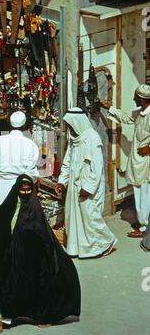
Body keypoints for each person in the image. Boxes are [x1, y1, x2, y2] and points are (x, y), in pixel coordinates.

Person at [0, 175, 81, 334]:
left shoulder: (34, 207)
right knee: (11, 287)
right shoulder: (12, 204)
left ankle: (42, 317)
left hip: (33, 256)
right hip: (14, 254)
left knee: (36, 287)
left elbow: (41, 231)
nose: (25, 192)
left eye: (28, 189)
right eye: (22, 189)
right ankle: (1, 322)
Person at [55, 107, 117, 259]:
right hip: (74, 183)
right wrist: (62, 182)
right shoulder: (73, 138)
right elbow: (68, 161)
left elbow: (97, 167)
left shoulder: (92, 137)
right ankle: (79, 249)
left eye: (70, 124)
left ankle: (107, 241)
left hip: (88, 184)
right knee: (74, 217)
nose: (69, 128)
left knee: (90, 217)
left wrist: (88, 188)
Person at [103, 84, 150, 238]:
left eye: (136, 97)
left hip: (145, 160)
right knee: (139, 191)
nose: (133, 99)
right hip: (138, 160)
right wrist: (110, 108)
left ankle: (144, 228)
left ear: (142, 100)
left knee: (144, 193)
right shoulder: (140, 112)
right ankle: (144, 223)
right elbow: (126, 118)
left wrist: (148, 149)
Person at [0, 111, 40, 204]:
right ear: (25, 126)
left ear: (10, 125)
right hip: (21, 189)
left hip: (0, 188)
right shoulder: (31, 144)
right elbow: (32, 174)